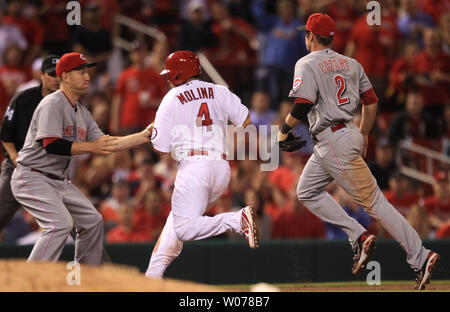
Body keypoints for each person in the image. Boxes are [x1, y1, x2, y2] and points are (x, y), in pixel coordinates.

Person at [278, 13, 439, 290]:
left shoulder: (306, 62)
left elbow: (302, 103)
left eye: (306, 33)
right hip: (346, 134)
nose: (305, 37)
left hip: (332, 139)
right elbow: (371, 101)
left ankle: (421, 256)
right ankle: (358, 235)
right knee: (306, 190)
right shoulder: (350, 63)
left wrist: (283, 130)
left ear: (312, 36)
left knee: (376, 203)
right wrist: (363, 134)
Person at [9, 52, 152, 265]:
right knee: (59, 224)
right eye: (81, 72)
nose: (87, 77)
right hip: (32, 176)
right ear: (65, 77)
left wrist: (142, 136)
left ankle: (86, 276)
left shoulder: (82, 112)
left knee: (93, 221)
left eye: (87, 72)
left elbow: (108, 143)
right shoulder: (52, 103)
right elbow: (52, 145)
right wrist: (91, 147)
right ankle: (28, 279)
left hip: (58, 181)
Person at [145, 50, 260, 279]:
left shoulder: (172, 97)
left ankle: (236, 220)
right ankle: (150, 279)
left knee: (184, 228)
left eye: (171, 73)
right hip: (221, 168)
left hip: (194, 166)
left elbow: (161, 148)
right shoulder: (219, 90)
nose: (168, 78)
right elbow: (247, 121)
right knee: (174, 232)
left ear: (179, 74)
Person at [0, 55, 60, 232]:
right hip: (17, 167)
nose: (56, 79)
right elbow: (5, 134)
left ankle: (98, 260)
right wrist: (14, 157)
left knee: (79, 221)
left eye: (60, 74)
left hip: (48, 172)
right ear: (41, 75)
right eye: (51, 74)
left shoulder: (68, 103)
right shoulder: (23, 98)